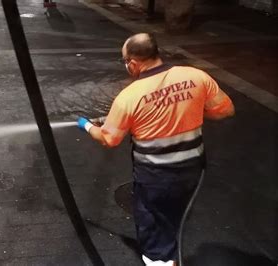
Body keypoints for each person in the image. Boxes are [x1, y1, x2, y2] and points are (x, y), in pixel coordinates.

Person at [77, 33, 234, 266]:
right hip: (193, 168)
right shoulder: (195, 75)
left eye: (124, 62)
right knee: (175, 210)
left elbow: (109, 139)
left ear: (132, 62)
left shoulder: (129, 96)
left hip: (156, 175)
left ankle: (160, 261)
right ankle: (170, 253)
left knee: (150, 217)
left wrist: (87, 125)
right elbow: (224, 110)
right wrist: (185, 111)